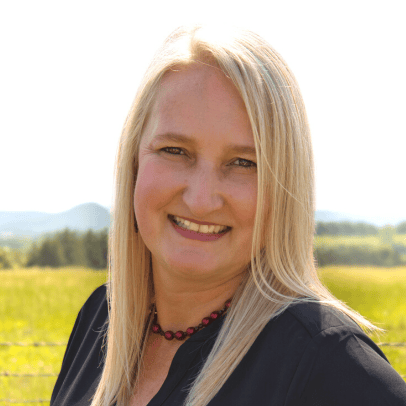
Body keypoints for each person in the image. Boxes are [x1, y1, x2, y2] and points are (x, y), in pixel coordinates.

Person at [50, 25, 406, 406]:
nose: (201, 200)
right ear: (134, 161)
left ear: (284, 188)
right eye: (174, 151)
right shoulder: (101, 320)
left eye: (243, 162)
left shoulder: (327, 362)